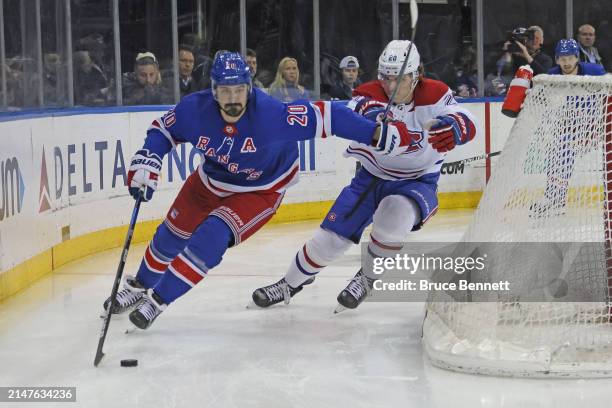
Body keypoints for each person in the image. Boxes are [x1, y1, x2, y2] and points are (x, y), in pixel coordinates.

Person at [103, 51, 418, 330]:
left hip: (260, 190)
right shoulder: (193, 110)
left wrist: (375, 131)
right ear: (213, 90)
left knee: (211, 236)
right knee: (172, 233)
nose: (233, 98)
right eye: (225, 90)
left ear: (249, 88)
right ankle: (141, 284)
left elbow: (329, 116)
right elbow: (164, 130)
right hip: (211, 180)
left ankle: (158, 300)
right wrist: (149, 159)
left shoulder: (270, 115)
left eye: (239, 89)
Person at [251, 40, 477, 311]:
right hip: (370, 177)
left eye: (399, 79)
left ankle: (367, 278)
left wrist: (454, 128)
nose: (391, 87)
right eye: (386, 78)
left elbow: (466, 118)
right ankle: (289, 284)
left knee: (394, 216)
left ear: (415, 76)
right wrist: (378, 122)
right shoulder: (368, 93)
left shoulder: (436, 94)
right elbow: (361, 110)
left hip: (417, 180)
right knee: (330, 239)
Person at [530, 39, 606, 217]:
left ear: (577, 58)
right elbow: (543, 99)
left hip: (599, 126)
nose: (566, 62)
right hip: (571, 128)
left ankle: (555, 199)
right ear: (556, 59)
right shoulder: (552, 75)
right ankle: (555, 199)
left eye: (570, 58)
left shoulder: (594, 71)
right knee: (559, 151)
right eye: (562, 58)